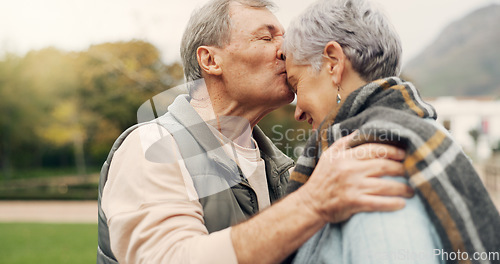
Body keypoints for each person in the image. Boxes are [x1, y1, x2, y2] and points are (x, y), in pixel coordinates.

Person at [96, 0, 415, 263]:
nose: (286, 51)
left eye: (285, 38)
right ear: (210, 60)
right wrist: (311, 204)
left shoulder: (287, 170)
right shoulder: (151, 146)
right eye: (267, 37)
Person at [283, 0, 500, 263]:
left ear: (333, 63)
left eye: (297, 84)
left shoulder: (369, 163)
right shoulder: (426, 137)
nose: (297, 111)